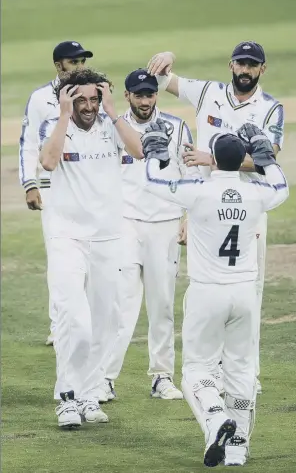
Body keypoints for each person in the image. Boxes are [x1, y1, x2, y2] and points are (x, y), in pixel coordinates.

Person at [141, 119, 288, 466]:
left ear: (214, 160)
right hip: (245, 293)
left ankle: (215, 417)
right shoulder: (256, 194)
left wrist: (156, 153)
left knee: (196, 369)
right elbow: (281, 186)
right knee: (241, 369)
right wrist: (266, 159)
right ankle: (237, 449)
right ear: (242, 161)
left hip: (208, 292)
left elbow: (152, 180)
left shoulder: (199, 190)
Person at [147, 41, 285, 393]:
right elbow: (162, 80)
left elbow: (268, 160)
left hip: (250, 206)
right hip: (206, 205)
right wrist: (170, 56)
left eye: (252, 65)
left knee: (248, 291)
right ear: (230, 65)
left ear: (262, 70)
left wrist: (214, 159)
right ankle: (208, 370)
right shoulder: (209, 92)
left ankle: (244, 375)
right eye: (240, 64)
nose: (245, 70)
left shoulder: (270, 109)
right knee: (206, 286)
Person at [38, 68, 143, 428]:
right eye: (79, 99)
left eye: (93, 99)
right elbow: (48, 162)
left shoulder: (110, 126)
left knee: (104, 323)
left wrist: (113, 112)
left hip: (108, 238)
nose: (88, 106)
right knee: (76, 322)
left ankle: (87, 394)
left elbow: (139, 150)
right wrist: (64, 116)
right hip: (67, 238)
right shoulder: (56, 127)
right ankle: (66, 397)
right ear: (66, 99)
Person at [103, 68, 199, 400]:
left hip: (166, 223)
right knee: (122, 302)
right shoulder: (114, 128)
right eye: (139, 94)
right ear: (127, 96)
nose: (145, 100)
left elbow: (193, 173)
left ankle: (161, 377)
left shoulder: (177, 126)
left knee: (161, 303)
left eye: (150, 94)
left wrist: (188, 216)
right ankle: (105, 377)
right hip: (126, 223)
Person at [19, 41, 94, 346]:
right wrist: (30, 183)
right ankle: (59, 325)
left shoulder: (93, 94)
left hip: (90, 190)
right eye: (72, 62)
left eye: (82, 61)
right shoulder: (40, 99)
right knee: (60, 261)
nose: (78, 67)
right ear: (58, 65)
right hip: (54, 191)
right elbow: (28, 145)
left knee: (93, 259)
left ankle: (87, 322)